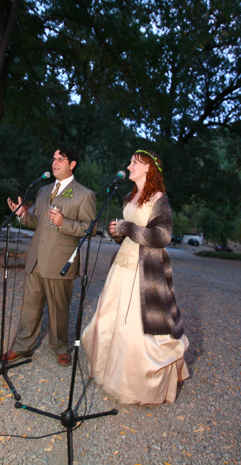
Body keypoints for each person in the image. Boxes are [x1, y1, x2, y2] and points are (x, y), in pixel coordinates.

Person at [82, 150, 189, 404]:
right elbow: (129, 232)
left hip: (146, 270)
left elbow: (162, 235)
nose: (129, 166)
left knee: (136, 326)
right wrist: (116, 232)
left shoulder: (159, 198)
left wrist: (127, 228)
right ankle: (108, 372)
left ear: (148, 168)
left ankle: (138, 385)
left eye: (134, 163)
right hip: (121, 265)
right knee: (111, 318)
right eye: (130, 161)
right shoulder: (129, 197)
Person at [3, 146, 96, 366]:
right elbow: (37, 221)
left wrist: (65, 223)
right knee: (30, 307)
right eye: (53, 158)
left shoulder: (84, 194)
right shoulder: (44, 191)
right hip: (36, 259)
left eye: (61, 159)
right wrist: (23, 215)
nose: (54, 163)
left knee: (59, 309)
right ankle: (22, 346)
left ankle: (61, 347)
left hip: (61, 260)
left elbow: (88, 228)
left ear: (72, 164)